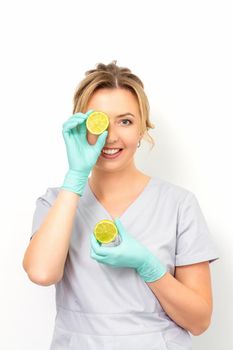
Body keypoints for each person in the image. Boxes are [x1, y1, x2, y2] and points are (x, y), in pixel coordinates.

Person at [22, 61, 219, 350]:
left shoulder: (179, 204)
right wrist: (75, 178)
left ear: (142, 129)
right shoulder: (56, 202)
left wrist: (148, 266)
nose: (111, 137)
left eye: (125, 121)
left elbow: (199, 321)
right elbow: (41, 273)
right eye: (97, 121)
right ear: (80, 127)